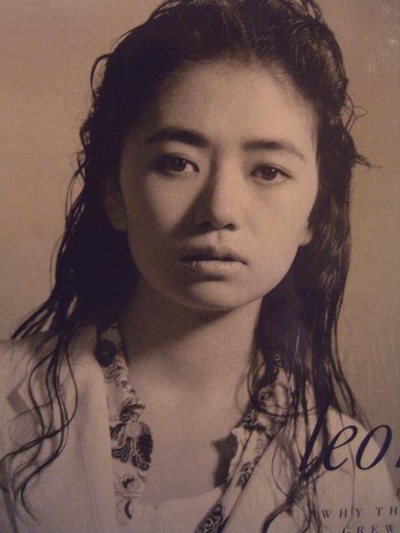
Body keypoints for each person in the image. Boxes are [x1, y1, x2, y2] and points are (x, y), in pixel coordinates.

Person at [0, 0, 397, 532]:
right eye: (177, 163)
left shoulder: (349, 473)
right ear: (115, 193)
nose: (219, 209)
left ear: (315, 214)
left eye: (268, 171)